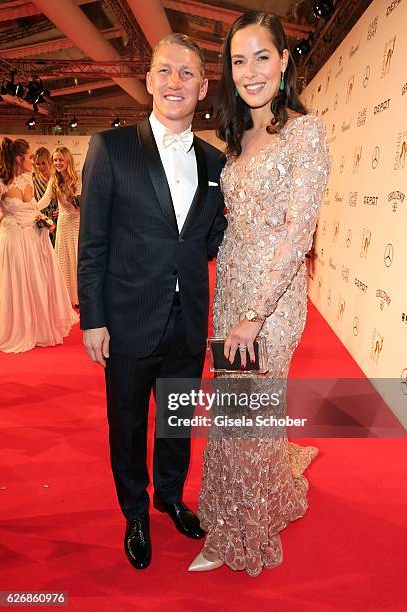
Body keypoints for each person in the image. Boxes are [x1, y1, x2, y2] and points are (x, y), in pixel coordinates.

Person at [78, 33, 227, 571]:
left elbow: (209, 238)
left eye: (187, 74)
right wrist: (92, 318)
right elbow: (91, 240)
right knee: (127, 422)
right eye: (166, 71)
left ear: (204, 88)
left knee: (176, 418)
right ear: (148, 80)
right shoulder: (110, 147)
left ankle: (170, 495)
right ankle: (135, 511)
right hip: (128, 319)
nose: (175, 82)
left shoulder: (216, 161)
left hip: (187, 321)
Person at [190, 11, 330, 576]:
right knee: (234, 411)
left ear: (284, 60)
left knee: (250, 412)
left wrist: (254, 314)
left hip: (271, 301)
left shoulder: (306, 132)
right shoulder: (235, 138)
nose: (250, 72)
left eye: (261, 57)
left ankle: (240, 534)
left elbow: (298, 233)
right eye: (238, 60)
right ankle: (227, 514)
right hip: (230, 287)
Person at [0, 138, 78, 353]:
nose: (33, 161)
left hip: (35, 238)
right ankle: (20, 328)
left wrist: (43, 220)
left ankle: (39, 328)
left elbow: (34, 208)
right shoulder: (1, 182)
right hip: (14, 238)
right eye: (30, 157)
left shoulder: (28, 179)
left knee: (37, 282)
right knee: (19, 283)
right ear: (19, 158)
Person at [38, 147, 80, 305]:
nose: (57, 163)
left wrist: (77, 201)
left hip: (77, 224)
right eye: (55, 160)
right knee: (63, 261)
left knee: (77, 260)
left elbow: (83, 204)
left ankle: (80, 297)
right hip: (62, 224)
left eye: (60, 159)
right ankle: (66, 298)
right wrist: (28, 208)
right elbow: (44, 201)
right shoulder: (53, 180)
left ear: (68, 160)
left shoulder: (78, 178)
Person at [32, 147, 58, 247]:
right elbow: (33, 201)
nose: (41, 167)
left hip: (58, 219)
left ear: (49, 162)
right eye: (38, 164)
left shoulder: (57, 177)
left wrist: (63, 209)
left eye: (43, 163)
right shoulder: (33, 179)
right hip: (43, 221)